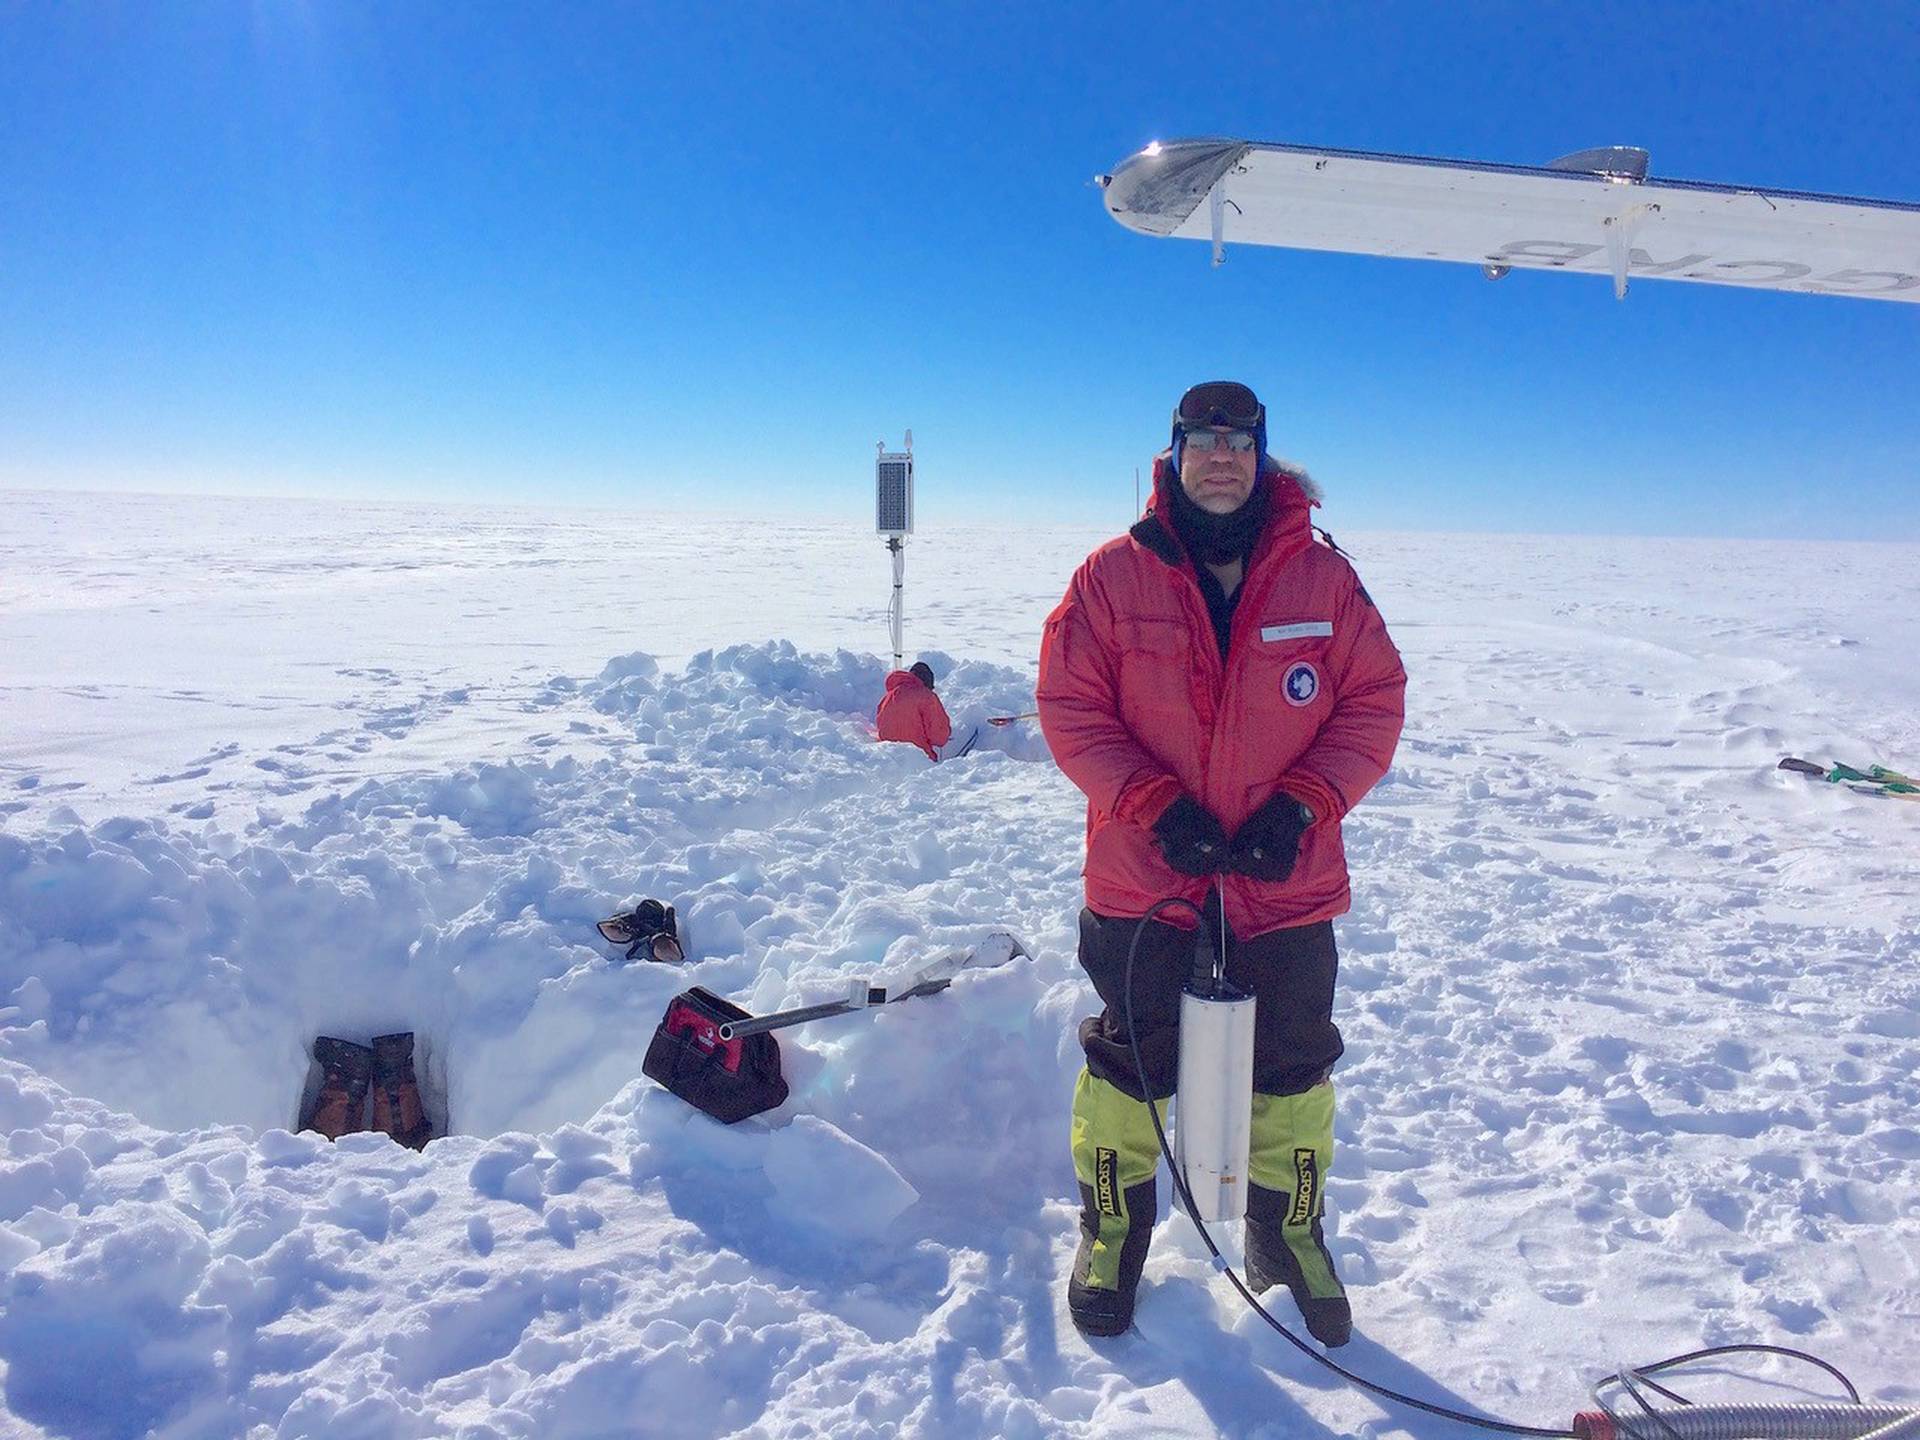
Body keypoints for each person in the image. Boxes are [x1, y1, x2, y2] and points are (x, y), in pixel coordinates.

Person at [1037, 380, 1406, 1343]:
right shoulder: (1111, 576)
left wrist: (1305, 804)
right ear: (1174, 453)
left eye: (1238, 442)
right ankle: (1113, 1229)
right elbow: (1072, 710)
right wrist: (1154, 804)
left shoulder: (1323, 580)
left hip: (1284, 877)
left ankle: (1289, 1236)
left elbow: (1373, 700)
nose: (1220, 457)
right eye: (1202, 440)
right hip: (1144, 872)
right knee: (1131, 1057)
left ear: (1262, 456)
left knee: (1292, 1060)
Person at [875, 660, 953, 762]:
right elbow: (939, 737)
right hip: (918, 758)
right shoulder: (927, 696)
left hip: (887, 756)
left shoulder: (888, 696)